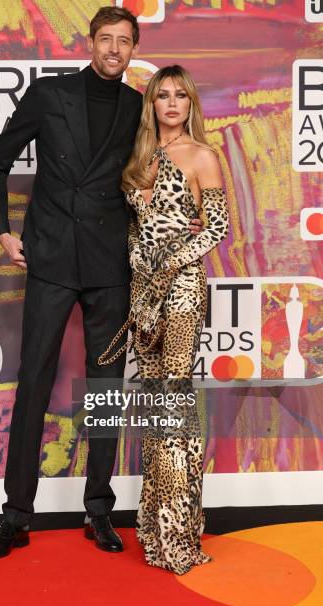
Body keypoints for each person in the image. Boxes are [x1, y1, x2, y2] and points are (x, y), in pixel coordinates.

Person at [0, 7, 203, 561]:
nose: (115, 50)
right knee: (33, 381)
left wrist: (190, 215)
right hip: (51, 258)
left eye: (126, 42)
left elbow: (162, 171)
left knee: (106, 393)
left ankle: (99, 509)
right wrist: (4, 234)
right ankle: (15, 515)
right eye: (107, 39)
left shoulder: (139, 110)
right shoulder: (50, 95)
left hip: (111, 267)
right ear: (91, 41)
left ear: (133, 49)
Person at [121, 65, 229, 574]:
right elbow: (140, 224)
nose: (170, 103)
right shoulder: (139, 156)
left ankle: (177, 533)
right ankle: (155, 524)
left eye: (179, 95)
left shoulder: (203, 156)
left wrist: (171, 259)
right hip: (142, 296)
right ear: (152, 103)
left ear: (191, 104)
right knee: (156, 406)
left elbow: (217, 230)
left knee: (173, 405)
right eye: (161, 95)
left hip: (182, 291)